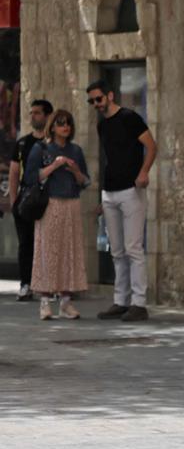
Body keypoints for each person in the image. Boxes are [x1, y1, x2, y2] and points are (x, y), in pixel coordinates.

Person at [87, 79, 157, 322]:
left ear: (110, 95)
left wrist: (144, 172)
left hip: (131, 191)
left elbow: (151, 146)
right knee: (116, 250)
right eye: (91, 101)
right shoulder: (102, 126)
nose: (96, 104)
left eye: (98, 99)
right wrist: (101, 197)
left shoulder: (130, 118)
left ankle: (139, 303)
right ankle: (120, 300)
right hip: (110, 192)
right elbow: (110, 158)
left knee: (133, 248)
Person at [26, 109, 89, 321]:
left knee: (69, 251)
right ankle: (45, 302)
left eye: (68, 123)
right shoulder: (41, 148)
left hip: (71, 203)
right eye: (61, 123)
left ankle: (65, 302)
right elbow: (32, 177)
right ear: (52, 126)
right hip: (50, 204)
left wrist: (76, 172)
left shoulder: (76, 150)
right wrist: (55, 164)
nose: (65, 126)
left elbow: (85, 182)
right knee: (48, 251)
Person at [7, 98, 52, 302]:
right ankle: (25, 284)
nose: (33, 116)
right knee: (26, 243)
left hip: (50, 199)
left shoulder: (55, 143)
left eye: (37, 112)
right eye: (31, 112)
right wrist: (14, 201)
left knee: (48, 243)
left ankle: (50, 285)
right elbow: (14, 172)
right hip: (27, 199)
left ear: (47, 116)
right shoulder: (23, 143)